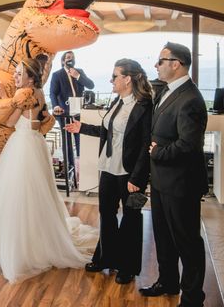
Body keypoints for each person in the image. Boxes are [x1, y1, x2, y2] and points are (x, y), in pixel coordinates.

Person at [0, 58, 96, 283]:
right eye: (15, 73)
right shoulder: (38, 93)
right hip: (34, 142)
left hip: (22, 145)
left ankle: (20, 247)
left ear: (31, 77)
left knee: (17, 195)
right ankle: (36, 239)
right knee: (34, 195)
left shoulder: (24, 94)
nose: (15, 77)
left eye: (18, 74)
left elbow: (9, 122)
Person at [64, 59, 152, 284]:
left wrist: (138, 177)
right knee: (107, 214)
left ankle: (127, 266)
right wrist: (82, 128)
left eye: (115, 76)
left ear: (127, 79)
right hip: (108, 167)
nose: (111, 80)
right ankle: (105, 258)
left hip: (129, 172)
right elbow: (109, 132)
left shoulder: (144, 106)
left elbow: (145, 145)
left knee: (131, 217)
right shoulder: (117, 101)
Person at [139, 42, 208, 307]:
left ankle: (192, 298)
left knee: (187, 242)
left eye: (160, 61)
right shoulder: (166, 91)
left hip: (181, 183)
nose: (156, 65)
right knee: (163, 237)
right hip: (160, 181)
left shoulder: (190, 98)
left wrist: (158, 154)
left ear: (175, 64)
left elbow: (188, 144)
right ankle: (167, 281)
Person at [50, 51, 95, 162]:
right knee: (67, 141)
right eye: (68, 57)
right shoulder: (57, 75)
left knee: (80, 139)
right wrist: (55, 106)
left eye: (73, 57)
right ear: (63, 61)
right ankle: (70, 164)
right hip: (64, 112)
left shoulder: (80, 72)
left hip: (80, 111)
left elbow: (91, 85)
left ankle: (82, 164)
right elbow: (53, 93)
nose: (71, 59)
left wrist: (78, 76)